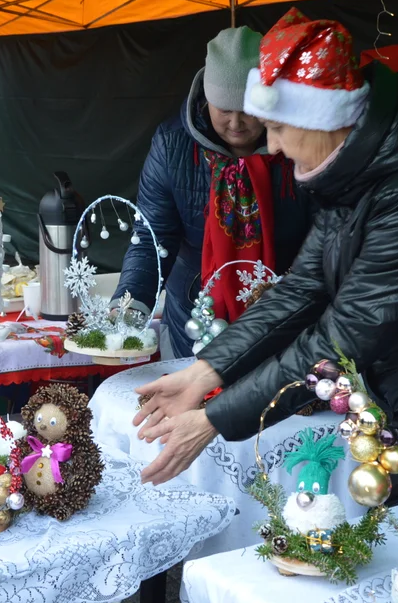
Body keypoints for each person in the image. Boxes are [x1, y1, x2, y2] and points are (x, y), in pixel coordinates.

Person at [133, 8, 398, 485]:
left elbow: (345, 333)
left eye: (280, 129)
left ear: (324, 120)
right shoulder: (352, 171)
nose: (274, 147)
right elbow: (303, 287)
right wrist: (206, 372)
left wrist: (214, 420)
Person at [112, 26, 312, 358]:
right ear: (206, 99)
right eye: (223, 109)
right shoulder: (172, 145)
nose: (236, 123)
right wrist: (129, 304)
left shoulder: (297, 145)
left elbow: (322, 233)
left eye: (248, 110)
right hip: (194, 316)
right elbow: (152, 237)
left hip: (283, 316)